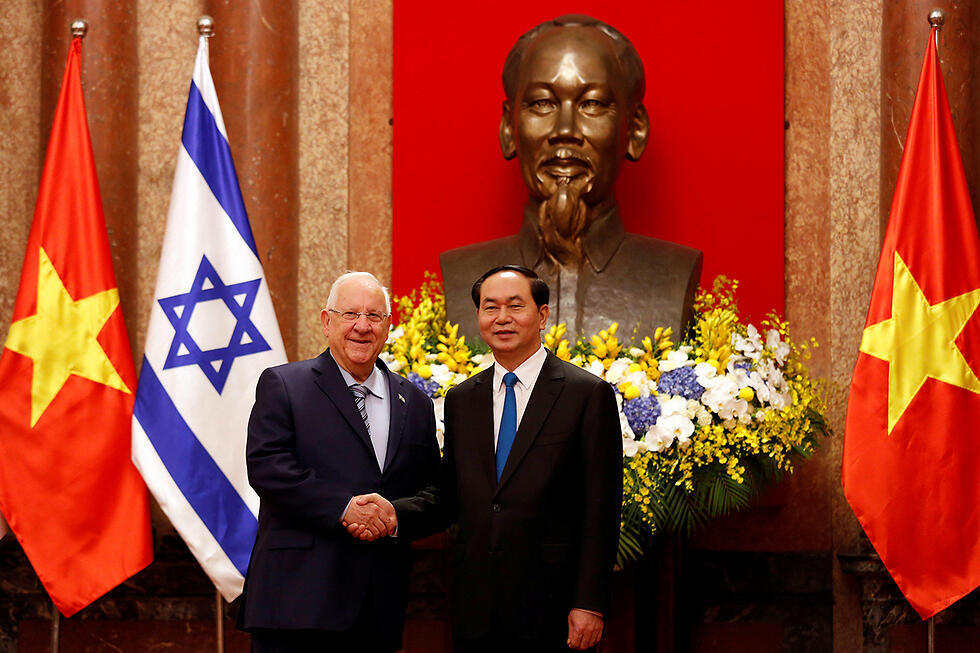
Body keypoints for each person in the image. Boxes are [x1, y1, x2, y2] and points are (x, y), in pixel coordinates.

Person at [349, 266, 623, 652]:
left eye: (516, 306)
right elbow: (450, 496)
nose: (502, 318)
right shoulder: (463, 399)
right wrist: (393, 514)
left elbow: (602, 508)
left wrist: (589, 603)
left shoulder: (585, 394)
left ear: (542, 315)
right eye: (490, 307)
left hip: (553, 606)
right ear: (478, 317)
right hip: (475, 607)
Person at [440, 14, 702, 342]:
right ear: (509, 128)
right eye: (541, 103)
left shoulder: (673, 276)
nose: (565, 131)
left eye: (591, 104)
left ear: (635, 130)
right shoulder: (461, 275)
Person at [237, 271, 440, 652]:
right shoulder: (284, 385)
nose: (362, 327)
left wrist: (395, 515)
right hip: (296, 603)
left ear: (388, 326)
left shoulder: (415, 402)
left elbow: (435, 490)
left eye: (374, 316)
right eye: (350, 314)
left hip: (377, 608)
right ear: (327, 321)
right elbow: (267, 467)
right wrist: (344, 509)